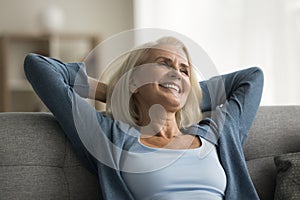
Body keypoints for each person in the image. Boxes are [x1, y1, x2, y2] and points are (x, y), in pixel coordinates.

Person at [24, 36, 264, 200]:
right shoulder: (108, 137)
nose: (177, 73)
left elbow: (252, 78)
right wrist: (119, 93)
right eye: (164, 63)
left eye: (184, 70)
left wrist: (179, 91)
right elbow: (38, 67)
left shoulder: (217, 134)